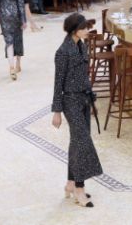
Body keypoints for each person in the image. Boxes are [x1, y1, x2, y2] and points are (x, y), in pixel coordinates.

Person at [51, 13, 103, 208]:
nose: (88, 30)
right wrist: (56, 111)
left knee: (76, 143)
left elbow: (84, 75)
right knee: (82, 143)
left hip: (84, 99)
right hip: (70, 101)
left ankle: (70, 184)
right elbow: (58, 83)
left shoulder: (82, 45)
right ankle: (80, 190)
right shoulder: (63, 52)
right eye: (84, 27)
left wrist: (90, 100)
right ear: (75, 30)